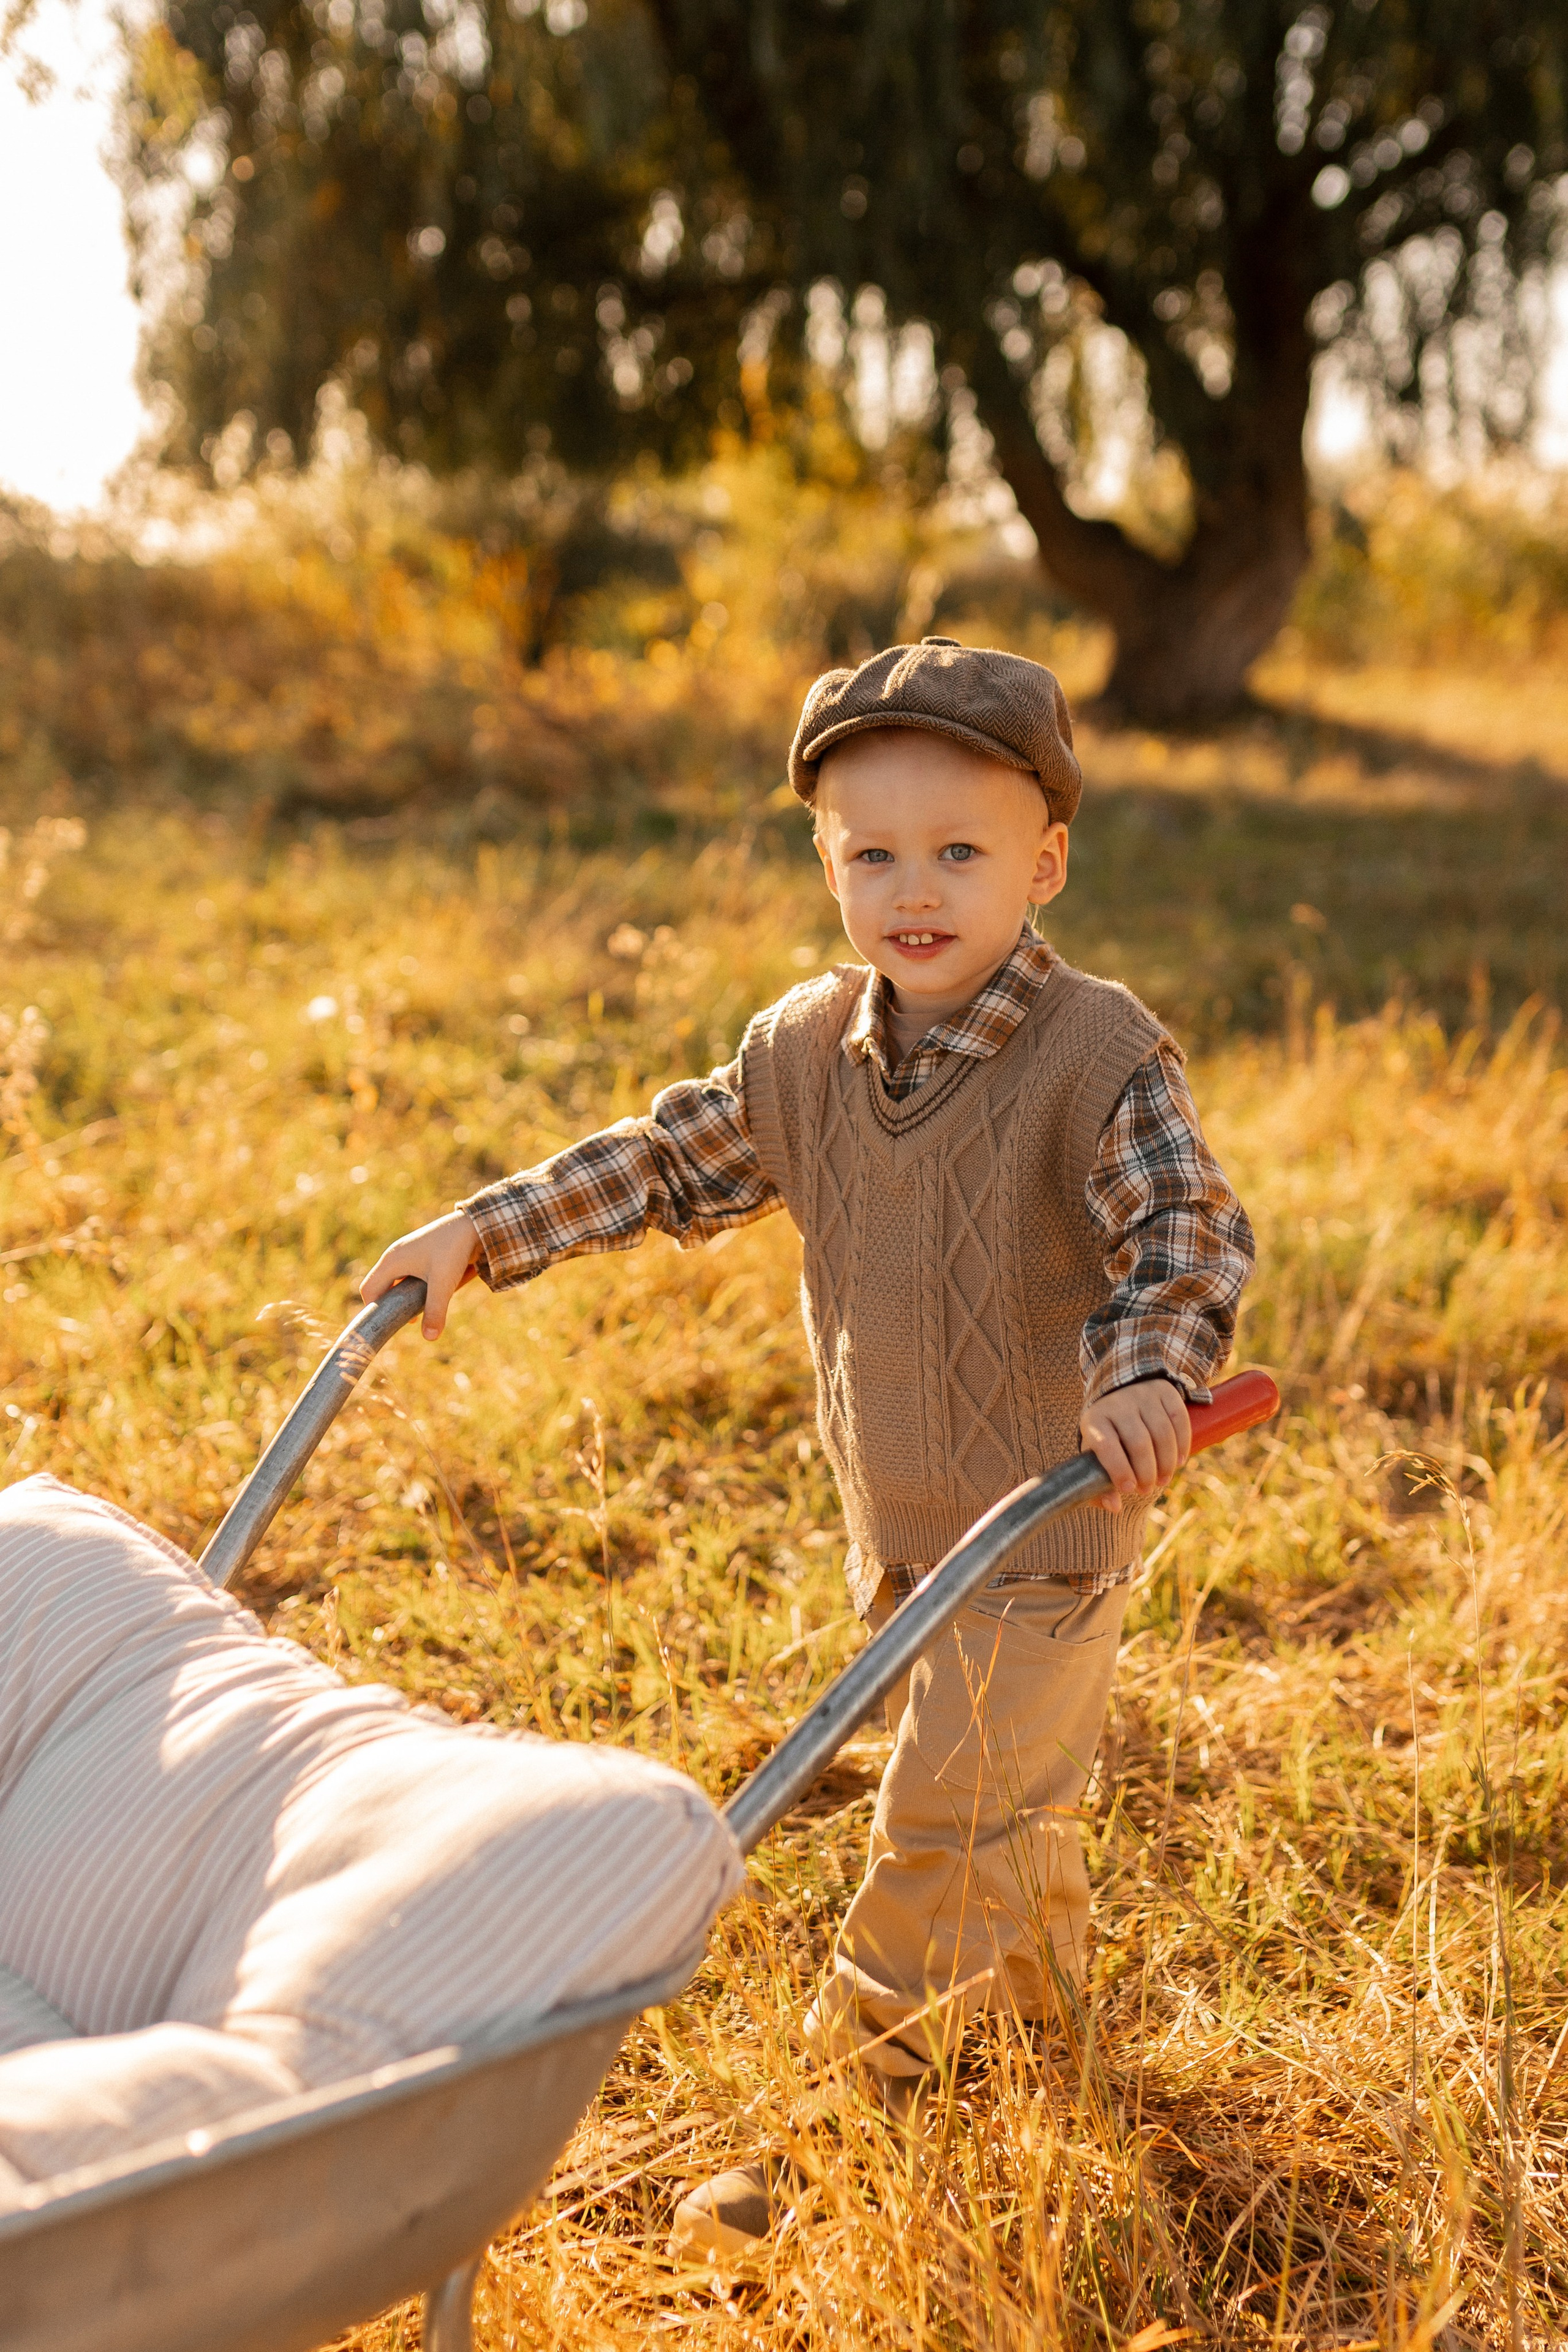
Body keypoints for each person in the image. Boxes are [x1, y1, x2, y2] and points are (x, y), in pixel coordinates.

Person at [360, 635, 1254, 2256]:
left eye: (963, 852)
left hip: (1039, 1536)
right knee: (1005, 1819)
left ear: (1047, 860)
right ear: (826, 863)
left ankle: (848, 2128)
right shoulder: (804, 1052)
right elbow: (658, 1164)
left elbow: (1185, 1231)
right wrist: (482, 1236)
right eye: (873, 855)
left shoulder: (1096, 1057)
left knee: (940, 1828)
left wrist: (1145, 1374)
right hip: (910, 1537)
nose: (917, 892)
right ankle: (1045, 2055)